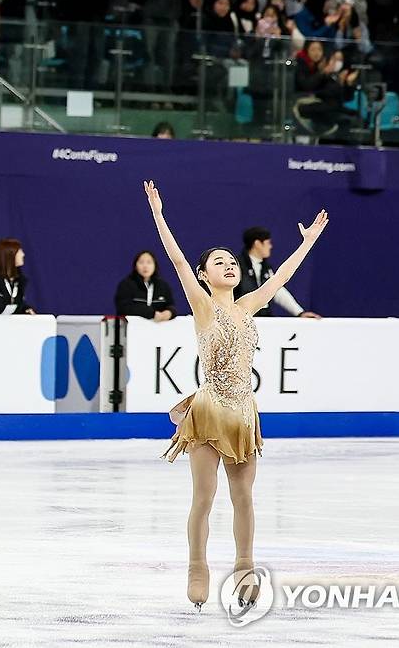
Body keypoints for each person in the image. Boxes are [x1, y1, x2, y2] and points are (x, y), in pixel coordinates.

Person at [143, 179, 329, 610]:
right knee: (204, 496)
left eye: (231, 261)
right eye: (218, 262)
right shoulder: (203, 305)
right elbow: (174, 258)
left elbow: (282, 275)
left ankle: (245, 566)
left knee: (243, 496)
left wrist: (308, 242)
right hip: (208, 411)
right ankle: (197, 566)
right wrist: (158, 213)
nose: (228, 265)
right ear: (205, 274)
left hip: (243, 412)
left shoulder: (248, 306)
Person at [234, 227, 322, 318]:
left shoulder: (266, 268)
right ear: (257, 244)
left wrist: (300, 313)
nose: (270, 246)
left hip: (265, 318)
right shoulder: (236, 266)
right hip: (242, 318)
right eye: (268, 243)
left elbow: (278, 290)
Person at [114, 251, 176, 321]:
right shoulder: (126, 284)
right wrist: (151, 313)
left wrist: (169, 313)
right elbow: (124, 307)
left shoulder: (163, 286)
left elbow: (171, 305)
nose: (145, 266)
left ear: (155, 265)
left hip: (158, 327)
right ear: (135, 266)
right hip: (133, 327)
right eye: (141, 262)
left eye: (149, 262)